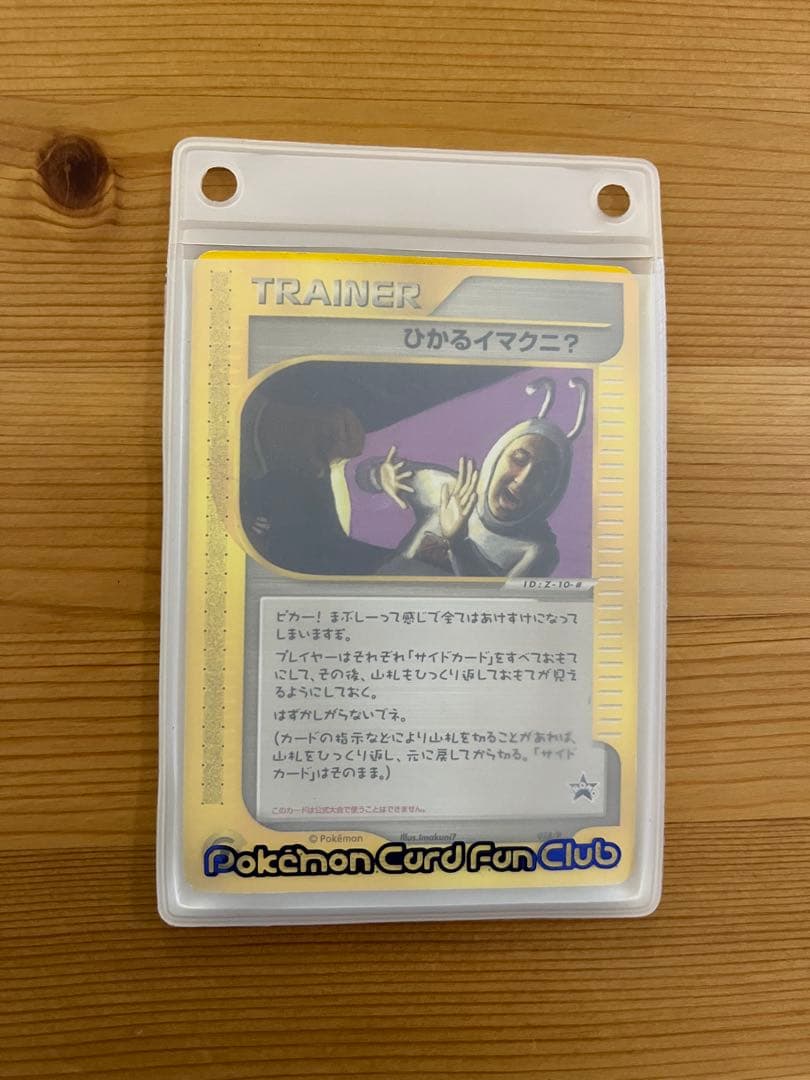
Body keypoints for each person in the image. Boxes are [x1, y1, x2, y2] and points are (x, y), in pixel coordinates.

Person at [354, 377, 588, 578]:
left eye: (544, 474)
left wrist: (458, 543)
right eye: (518, 458)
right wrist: (380, 475)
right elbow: (362, 476)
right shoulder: (449, 490)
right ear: (496, 457)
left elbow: (499, 604)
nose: (524, 478)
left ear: (553, 489)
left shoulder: (536, 551)